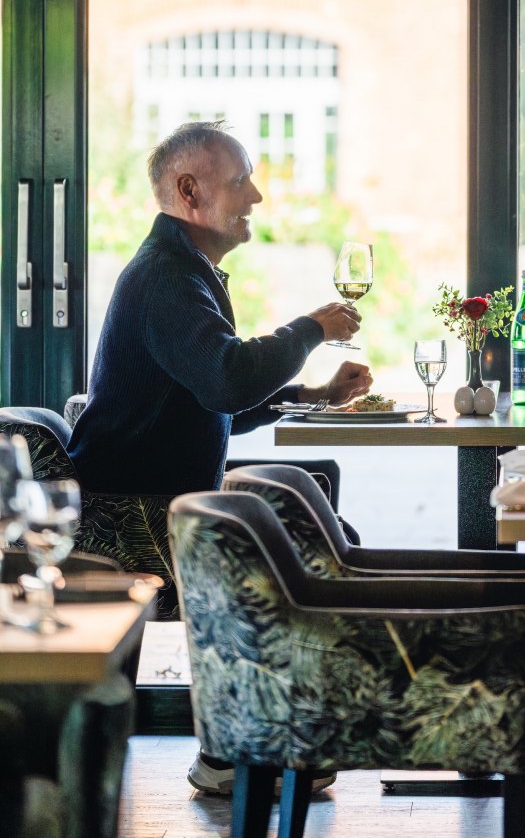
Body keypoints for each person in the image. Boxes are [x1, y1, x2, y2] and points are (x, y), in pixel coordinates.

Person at [69, 120, 372, 796]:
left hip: (159, 499)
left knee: (325, 536)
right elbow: (228, 378)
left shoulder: (182, 270)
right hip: (132, 515)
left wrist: (313, 396)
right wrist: (311, 329)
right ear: (189, 190)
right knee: (304, 553)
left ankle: (251, 743)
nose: (256, 196)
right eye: (241, 181)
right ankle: (241, 750)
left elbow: (212, 397)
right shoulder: (167, 277)